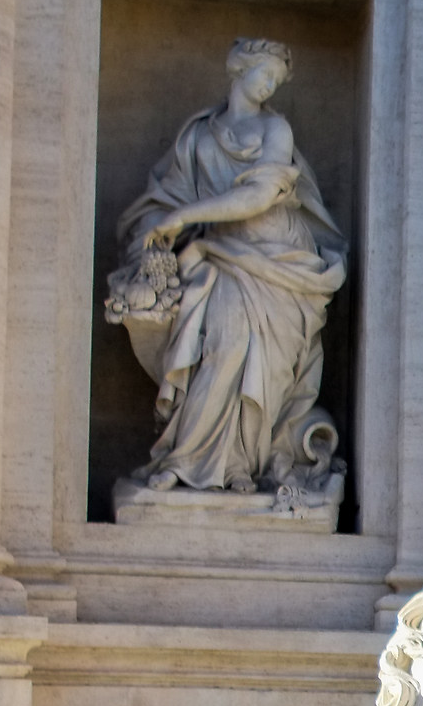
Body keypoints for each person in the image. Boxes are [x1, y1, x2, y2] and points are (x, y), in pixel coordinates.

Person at [108, 38, 346, 495]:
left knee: (260, 363)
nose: (271, 85)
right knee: (222, 344)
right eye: (265, 74)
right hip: (218, 255)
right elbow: (167, 200)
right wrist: (162, 228)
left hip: (278, 259)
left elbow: (258, 197)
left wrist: (185, 218)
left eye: (277, 79)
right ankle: (186, 460)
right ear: (239, 70)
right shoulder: (197, 136)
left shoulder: (276, 131)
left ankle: (242, 465)